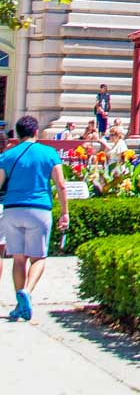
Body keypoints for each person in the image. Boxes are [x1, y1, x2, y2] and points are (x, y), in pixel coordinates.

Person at [0, 115, 69, 323]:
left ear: (18, 133)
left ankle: (19, 303)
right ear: (36, 132)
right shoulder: (49, 153)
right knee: (38, 258)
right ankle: (27, 293)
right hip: (39, 209)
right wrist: (64, 212)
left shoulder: (8, 155)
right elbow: (61, 184)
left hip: (12, 210)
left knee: (18, 259)